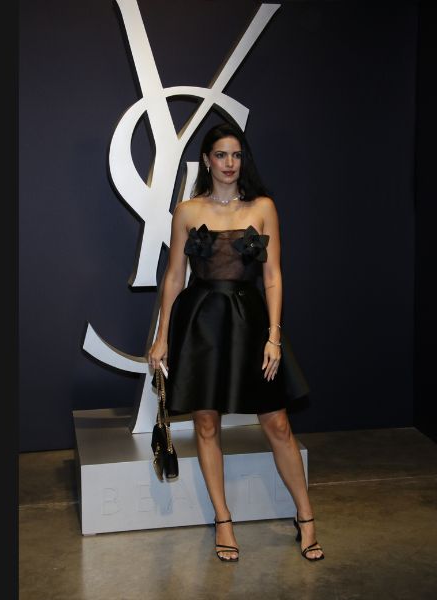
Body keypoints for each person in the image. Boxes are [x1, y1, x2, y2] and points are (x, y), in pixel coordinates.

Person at [147, 122, 324, 562]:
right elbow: (174, 277)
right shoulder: (187, 211)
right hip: (200, 325)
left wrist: (274, 337)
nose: (230, 163)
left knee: (277, 424)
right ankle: (223, 521)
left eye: (236, 155)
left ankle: (306, 518)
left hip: (250, 323)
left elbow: (273, 276)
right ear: (207, 161)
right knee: (206, 424)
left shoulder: (263, 207)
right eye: (221, 155)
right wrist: (161, 336)